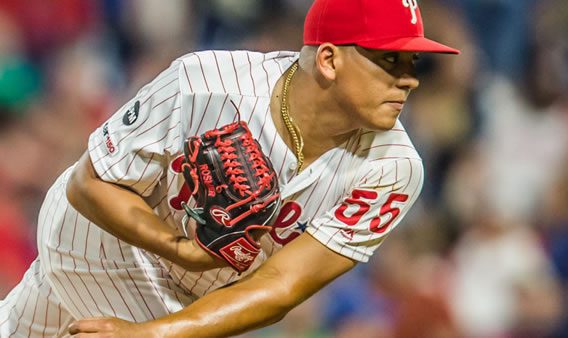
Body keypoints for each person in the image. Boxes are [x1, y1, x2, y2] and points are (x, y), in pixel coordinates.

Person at [0, 0, 459, 336]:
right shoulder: (207, 83)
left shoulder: (394, 169)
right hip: (99, 242)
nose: (408, 78)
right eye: (388, 60)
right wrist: (179, 250)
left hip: (188, 295)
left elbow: (282, 287)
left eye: (411, 61)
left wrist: (155, 331)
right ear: (329, 59)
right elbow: (88, 184)